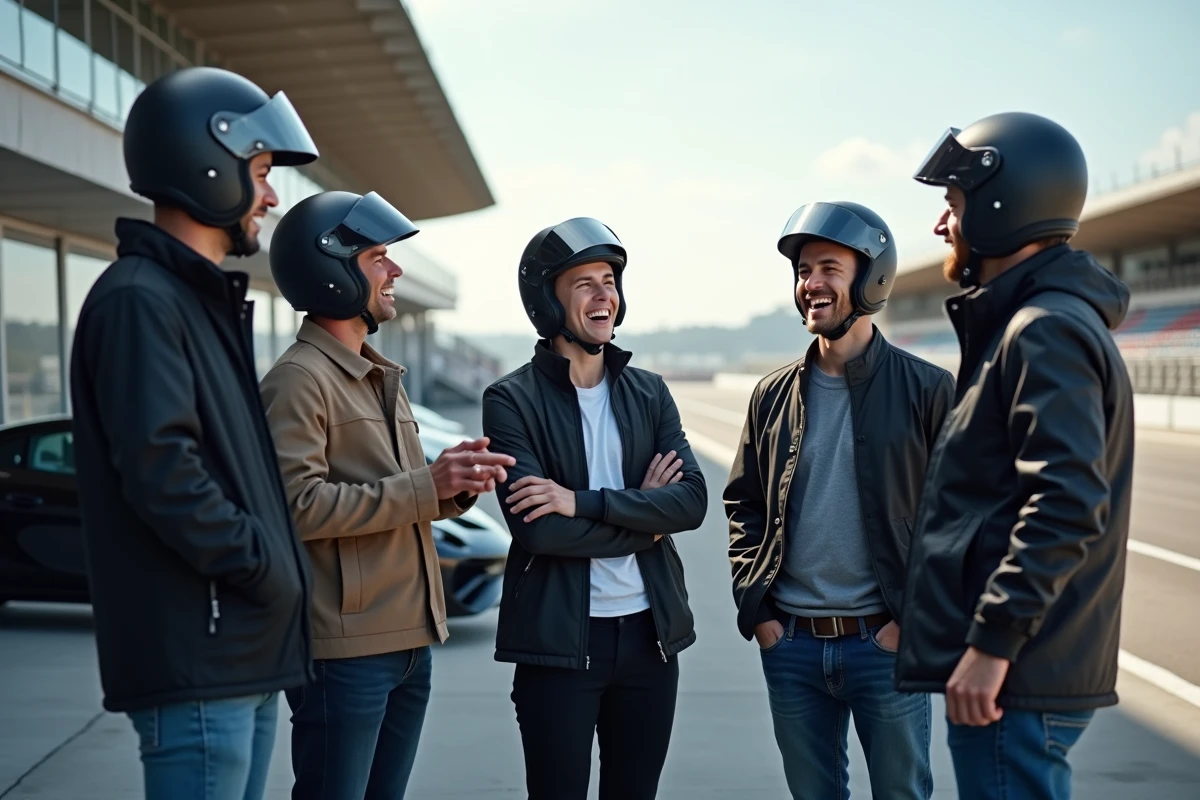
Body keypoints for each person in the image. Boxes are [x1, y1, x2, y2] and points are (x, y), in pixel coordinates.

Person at [69, 66, 320, 800]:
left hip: (239, 653)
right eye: (264, 171)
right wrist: (263, 567)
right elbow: (165, 473)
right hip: (201, 658)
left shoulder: (193, 301)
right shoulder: (140, 301)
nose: (272, 196)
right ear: (208, 162)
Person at [896, 112, 1135, 800]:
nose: (943, 225)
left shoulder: (1043, 330)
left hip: (1014, 681)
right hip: (1024, 676)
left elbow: (1065, 500)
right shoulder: (1042, 322)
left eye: (953, 203)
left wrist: (993, 644)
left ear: (1004, 205)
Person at [258, 190, 515, 800]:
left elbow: (399, 493)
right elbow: (294, 508)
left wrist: (454, 487)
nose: (395, 270)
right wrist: (428, 487)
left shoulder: (378, 374)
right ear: (333, 270)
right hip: (345, 654)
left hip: (408, 642)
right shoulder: (297, 382)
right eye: (378, 257)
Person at [724, 201, 954, 799]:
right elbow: (742, 504)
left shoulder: (927, 389)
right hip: (791, 645)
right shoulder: (771, 395)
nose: (811, 284)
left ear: (871, 278)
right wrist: (761, 614)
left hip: (885, 646)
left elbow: (954, 518)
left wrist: (909, 624)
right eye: (803, 270)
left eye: (828, 267)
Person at [481, 218, 708, 800]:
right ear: (547, 299)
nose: (603, 294)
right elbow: (543, 535)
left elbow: (691, 502)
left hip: (648, 641)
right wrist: (644, 523)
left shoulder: (650, 391)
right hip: (558, 648)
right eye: (583, 282)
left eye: (608, 280)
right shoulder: (510, 399)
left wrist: (581, 501)